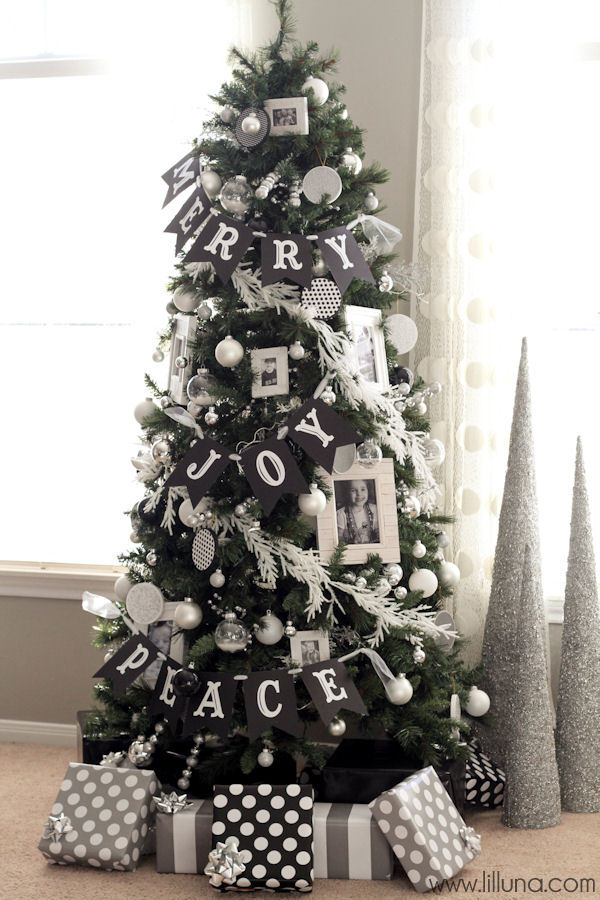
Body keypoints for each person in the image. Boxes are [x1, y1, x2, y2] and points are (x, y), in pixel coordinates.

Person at [336, 479, 380, 544]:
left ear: (368, 490)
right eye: (353, 490)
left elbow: (378, 530)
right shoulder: (341, 513)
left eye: (363, 489)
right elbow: (339, 537)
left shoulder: (374, 509)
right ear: (347, 493)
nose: (359, 494)